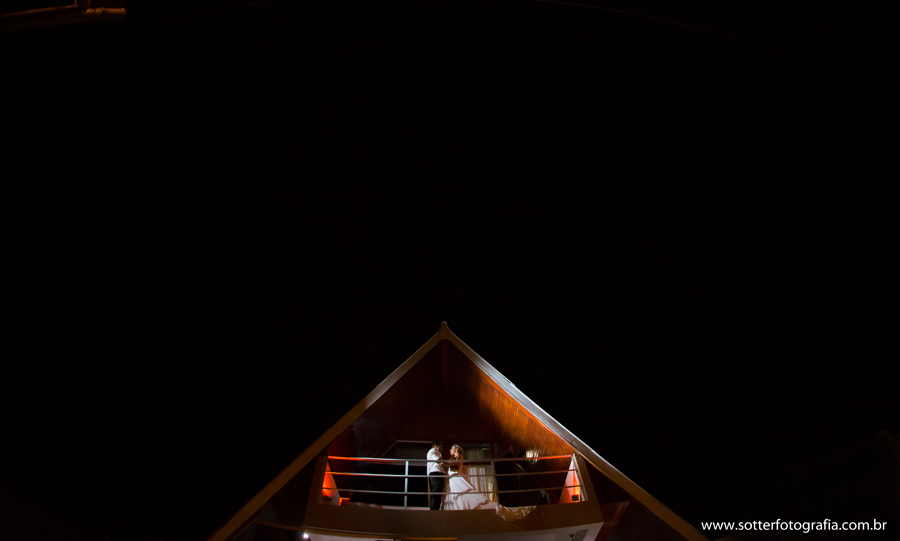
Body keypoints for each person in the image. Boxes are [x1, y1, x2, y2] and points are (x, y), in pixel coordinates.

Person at [441, 444, 535, 522]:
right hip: (454, 482)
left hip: (457, 482)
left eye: (452, 448)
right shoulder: (455, 457)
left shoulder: (457, 456)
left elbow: (451, 464)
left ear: (456, 449)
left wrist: (443, 463)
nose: (450, 450)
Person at [427, 441, 446, 510]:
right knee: (436, 492)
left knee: (436, 491)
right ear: (436, 446)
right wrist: (443, 462)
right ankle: (434, 509)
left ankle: (434, 508)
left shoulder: (431, 452)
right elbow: (437, 459)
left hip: (433, 473)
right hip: (436, 473)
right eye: (440, 447)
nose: (442, 449)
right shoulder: (434, 451)